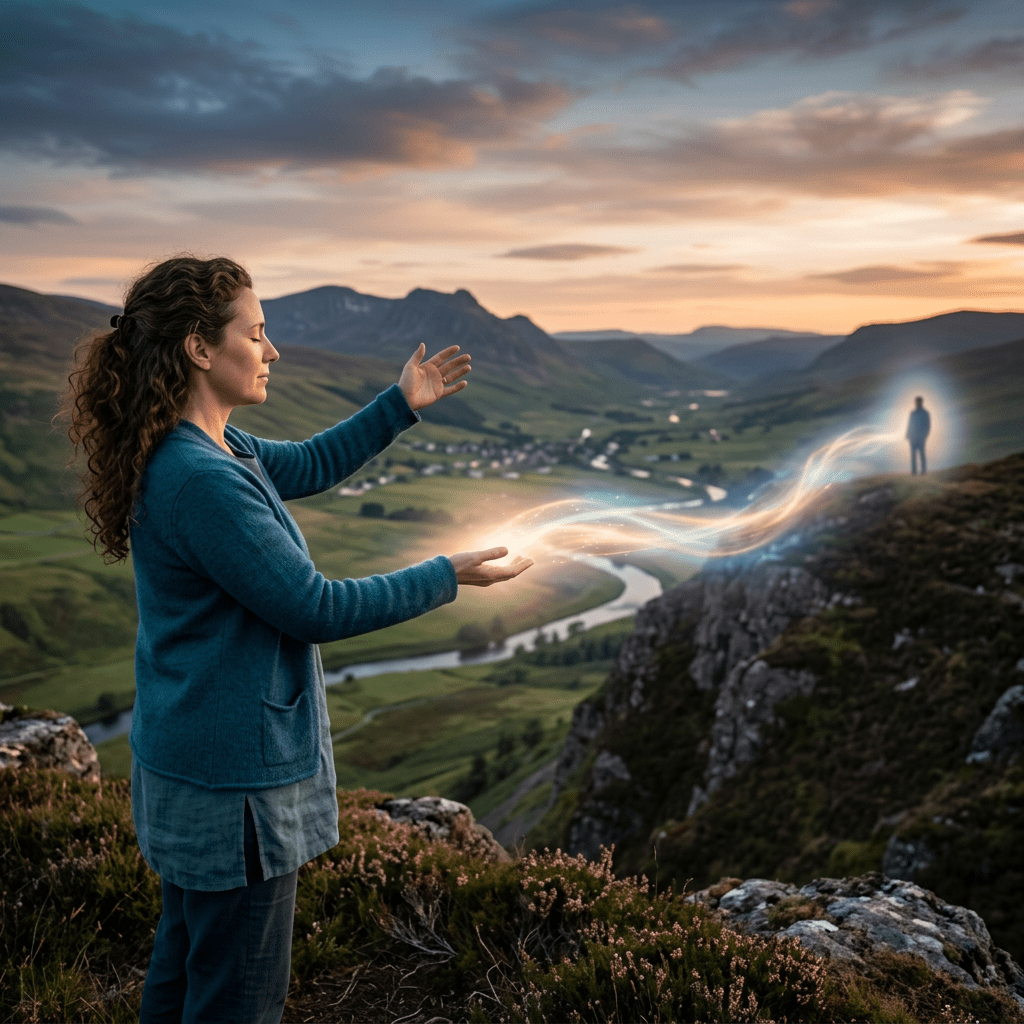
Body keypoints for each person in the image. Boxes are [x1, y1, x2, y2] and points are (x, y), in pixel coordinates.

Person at [64, 255, 532, 1023]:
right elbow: (313, 608)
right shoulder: (201, 478)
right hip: (233, 787)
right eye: (257, 332)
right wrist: (446, 574)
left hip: (194, 761)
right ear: (199, 350)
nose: (272, 349)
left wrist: (400, 403)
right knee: (239, 997)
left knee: (183, 966)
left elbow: (309, 463)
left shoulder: (216, 448)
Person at [906, 396, 931, 475]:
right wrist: (907, 434)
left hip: (921, 437)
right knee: (913, 455)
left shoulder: (925, 413)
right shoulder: (913, 413)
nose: (917, 403)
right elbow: (909, 424)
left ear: (921, 402)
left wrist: (925, 435)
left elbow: (928, 425)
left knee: (921, 454)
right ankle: (914, 472)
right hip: (913, 437)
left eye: (918, 402)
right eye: (916, 402)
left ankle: (923, 472)